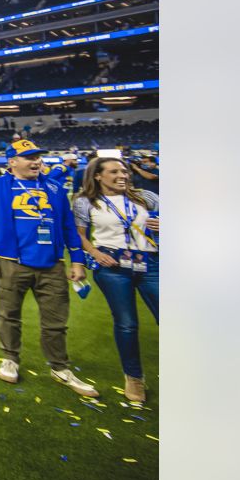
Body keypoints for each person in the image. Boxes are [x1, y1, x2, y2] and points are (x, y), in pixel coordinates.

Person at [0, 139, 98, 398]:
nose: (36, 162)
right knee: (9, 314)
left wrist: (77, 259)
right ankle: (10, 357)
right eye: (29, 157)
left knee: (56, 319)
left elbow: (68, 226)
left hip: (52, 263)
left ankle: (59, 366)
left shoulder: (54, 187)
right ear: (12, 162)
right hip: (11, 260)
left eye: (38, 157)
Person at [73, 157, 160, 404]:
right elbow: (79, 235)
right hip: (112, 266)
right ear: (98, 176)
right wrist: (95, 253)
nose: (122, 175)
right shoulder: (84, 202)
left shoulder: (145, 196)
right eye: (114, 171)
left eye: (124, 171)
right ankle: (134, 378)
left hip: (151, 263)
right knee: (127, 323)